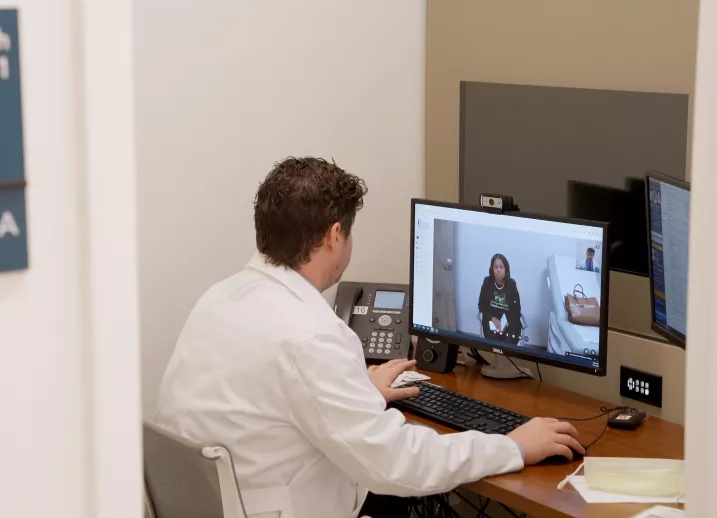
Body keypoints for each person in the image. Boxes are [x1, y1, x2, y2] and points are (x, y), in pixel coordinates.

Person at [153, 157, 584, 518]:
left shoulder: (221, 297)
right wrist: (511, 446)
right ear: (334, 236)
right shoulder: (312, 335)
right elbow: (396, 464)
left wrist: (357, 391)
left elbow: (275, 398)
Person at [477, 254, 523, 344]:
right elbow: (481, 305)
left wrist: (507, 323)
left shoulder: (511, 284)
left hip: (508, 321)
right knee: (493, 342)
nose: (498, 270)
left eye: (501, 267)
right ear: (492, 269)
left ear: (506, 269)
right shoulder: (487, 282)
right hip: (491, 320)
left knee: (509, 341)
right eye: (495, 267)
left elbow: (517, 308)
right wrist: (493, 318)